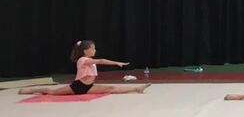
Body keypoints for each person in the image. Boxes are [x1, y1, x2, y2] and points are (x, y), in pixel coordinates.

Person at [19, 40, 150, 95]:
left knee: (111, 88)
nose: (95, 50)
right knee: (52, 91)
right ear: (85, 50)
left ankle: (136, 88)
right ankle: (30, 90)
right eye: (92, 48)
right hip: (77, 86)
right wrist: (117, 63)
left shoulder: (89, 59)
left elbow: (98, 61)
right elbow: (102, 61)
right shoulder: (83, 60)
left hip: (89, 87)